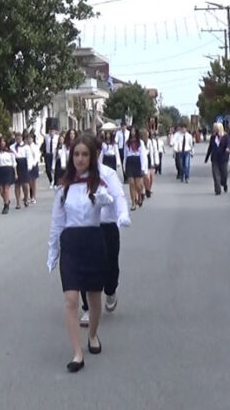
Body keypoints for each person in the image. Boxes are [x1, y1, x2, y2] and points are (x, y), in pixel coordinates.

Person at [47, 134, 114, 373]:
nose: (80, 159)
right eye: (76, 154)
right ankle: (77, 353)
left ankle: (92, 335)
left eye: (85, 154)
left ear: (92, 157)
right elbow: (57, 222)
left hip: (93, 241)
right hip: (71, 244)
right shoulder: (64, 187)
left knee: (94, 297)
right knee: (71, 300)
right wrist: (52, 251)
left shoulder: (99, 184)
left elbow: (109, 203)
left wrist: (103, 199)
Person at [80, 137, 131, 326]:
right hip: (85, 226)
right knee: (85, 267)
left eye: (88, 153)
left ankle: (110, 290)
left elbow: (119, 197)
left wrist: (123, 214)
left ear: (98, 154)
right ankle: (88, 307)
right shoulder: (76, 175)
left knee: (110, 266)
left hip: (107, 225)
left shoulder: (108, 174)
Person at [123, 128, 147, 210]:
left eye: (134, 131)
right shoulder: (127, 143)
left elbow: (143, 155)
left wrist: (143, 167)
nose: (133, 133)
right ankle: (133, 202)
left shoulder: (140, 143)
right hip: (129, 162)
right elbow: (125, 155)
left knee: (138, 185)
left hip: (137, 162)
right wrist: (124, 166)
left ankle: (139, 196)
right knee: (131, 183)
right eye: (131, 131)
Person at [205, 122, 230, 195]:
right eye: (214, 128)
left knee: (224, 174)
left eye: (216, 128)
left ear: (220, 128)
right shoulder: (213, 137)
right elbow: (210, 148)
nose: (215, 130)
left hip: (223, 158)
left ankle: (224, 184)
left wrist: (227, 148)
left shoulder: (226, 136)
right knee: (216, 175)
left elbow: (228, 144)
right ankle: (217, 190)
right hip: (215, 158)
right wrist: (206, 158)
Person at [0, 137, 17, 214]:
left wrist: (16, 173)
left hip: (8, 170)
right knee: (1, 190)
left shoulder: (10, 152)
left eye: (3, 141)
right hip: (0, 170)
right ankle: (7, 200)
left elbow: (14, 163)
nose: (2, 143)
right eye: (1, 141)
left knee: (6, 189)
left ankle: (6, 205)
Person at [11, 132, 34, 209]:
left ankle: (26, 198)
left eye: (19, 138)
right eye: (16, 138)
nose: (18, 139)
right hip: (16, 164)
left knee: (25, 184)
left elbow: (29, 157)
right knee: (17, 185)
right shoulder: (12, 147)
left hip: (24, 164)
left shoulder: (26, 147)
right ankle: (18, 202)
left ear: (21, 138)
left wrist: (29, 166)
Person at [141, 130, 158, 198]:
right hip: (142, 158)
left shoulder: (150, 142)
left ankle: (148, 188)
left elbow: (153, 152)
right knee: (144, 176)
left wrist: (154, 162)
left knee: (150, 176)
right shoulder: (140, 142)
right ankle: (143, 190)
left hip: (149, 159)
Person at [26, 133, 40, 204]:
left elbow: (37, 156)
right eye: (28, 138)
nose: (29, 140)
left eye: (30, 138)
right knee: (28, 182)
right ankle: (28, 196)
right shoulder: (25, 146)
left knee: (33, 182)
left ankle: (34, 197)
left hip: (33, 165)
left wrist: (33, 164)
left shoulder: (35, 146)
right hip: (27, 165)